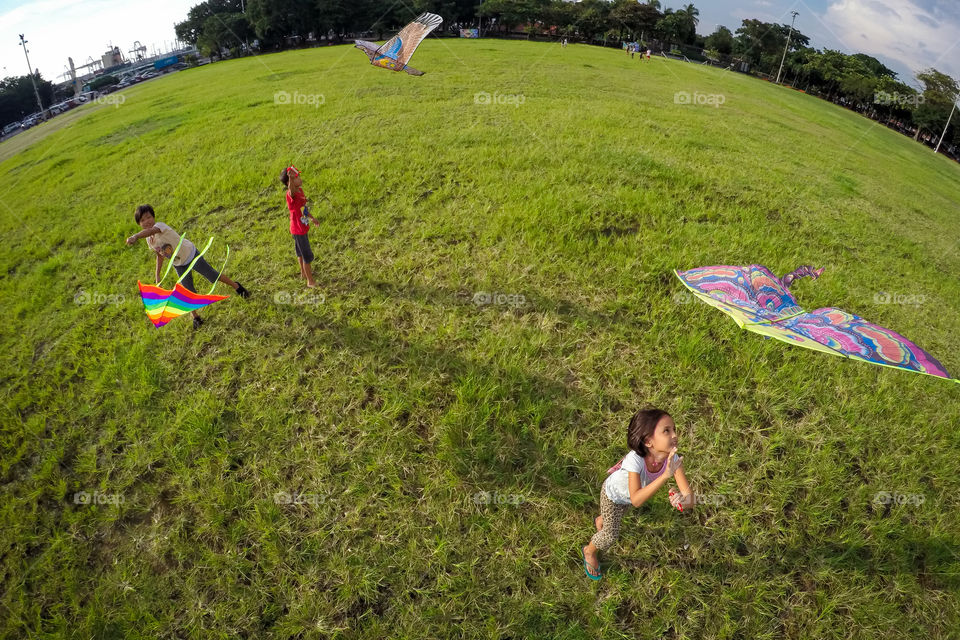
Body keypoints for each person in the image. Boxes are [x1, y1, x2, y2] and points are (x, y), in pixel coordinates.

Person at [581, 408, 694, 580]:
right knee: (610, 536)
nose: (674, 435)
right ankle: (589, 551)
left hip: (625, 499)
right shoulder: (635, 460)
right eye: (666, 431)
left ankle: (603, 518)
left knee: (616, 516)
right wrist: (665, 476)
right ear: (649, 441)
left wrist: (680, 501)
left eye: (674, 429)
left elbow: (690, 499)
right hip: (612, 495)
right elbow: (636, 500)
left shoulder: (673, 459)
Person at [126, 204, 249, 329]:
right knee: (188, 291)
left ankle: (237, 286)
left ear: (153, 217)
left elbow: (150, 231)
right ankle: (196, 317)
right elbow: (160, 255)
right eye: (142, 220)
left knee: (212, 276)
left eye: (148, 217)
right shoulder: (149, 241)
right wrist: (157, 275)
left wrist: (135, 236)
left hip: (191, 255)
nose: (147, 221)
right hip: (179, 264)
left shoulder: (160, 226)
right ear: (139, 224)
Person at [280, 166, 321, 288]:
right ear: (289, 182)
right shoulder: (290, 194)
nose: (300, 179)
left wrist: (312, 218)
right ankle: (310, 281)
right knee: (307, 256)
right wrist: (291, 178)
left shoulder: (300, 191)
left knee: (300, 252)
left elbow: (303, 208)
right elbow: (291, 190)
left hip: (301, 227)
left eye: (298, 176)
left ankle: (303, 273)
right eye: (296, 177)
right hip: (298, 230)